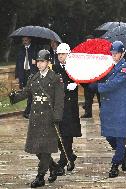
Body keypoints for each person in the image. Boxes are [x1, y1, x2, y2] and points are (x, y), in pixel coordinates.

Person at [9, 49, 64, 188]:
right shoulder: (34, 78)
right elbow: (27, 92)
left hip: (49, 118)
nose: (39, 64)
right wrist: (14, 97)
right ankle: (54, 167)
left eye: (42, 61)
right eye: (38, 61)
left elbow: (59, 100)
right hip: (35, 119)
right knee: (36, 148)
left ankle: (40, 176)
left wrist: (57, 116)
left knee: (45, 148)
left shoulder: (55, 78)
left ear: (48, 62)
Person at [89, 41, 126, 178]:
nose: (114, 55)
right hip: (108, 107)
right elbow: (101, 77)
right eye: (112, 53)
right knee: (109, 135)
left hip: (119, 107)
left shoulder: (125, 68)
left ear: (122, 53)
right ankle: (123, 154)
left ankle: (115, 164)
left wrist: (98, 86)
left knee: (119, 137)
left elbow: (113, 84)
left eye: (116, 53)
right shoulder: (108, 66)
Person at [52, 43, 82, 175]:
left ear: (68, 54)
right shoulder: (54, 68)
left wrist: (77, 82)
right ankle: (69, 155)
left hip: (70, 107)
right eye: (58, 54)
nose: (60, 56)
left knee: (67, 134)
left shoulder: (74, 68)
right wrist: (66, 87)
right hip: (58, 105)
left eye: (62, 54)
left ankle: (64, 160)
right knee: (57, 135)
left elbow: (85, 81)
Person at [15, 36, 38, 119]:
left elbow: (40, 60)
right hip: (23, 73)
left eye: (26, 40)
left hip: (32, 73)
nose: (24, 42)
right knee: (27, 92)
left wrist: (36, 62)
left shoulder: (35, 48)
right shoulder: (21, 49)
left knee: (31, 92)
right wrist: (17, 76)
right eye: (23, 40)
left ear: (29, 40)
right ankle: (29, 111)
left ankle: (27, 111)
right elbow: (18, 63)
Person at [81, 35, 101, 118]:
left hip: (98, 78)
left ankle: (102, 112)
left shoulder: (98, 51)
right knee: (88, 96)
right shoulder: (84, 52)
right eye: (87, 41)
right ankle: (88, 113)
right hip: (88, 78)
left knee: (100, 97)